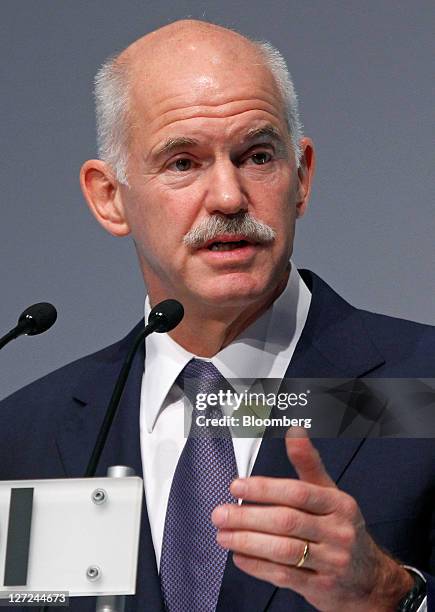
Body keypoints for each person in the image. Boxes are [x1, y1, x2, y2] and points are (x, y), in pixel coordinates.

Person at [0, 19, 434, 612]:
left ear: (301, 176)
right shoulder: (28, 433)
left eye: (257, 156)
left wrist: (393, 594)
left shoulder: (421, 388)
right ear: (109, 197)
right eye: (183, 162)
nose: (229, 197)